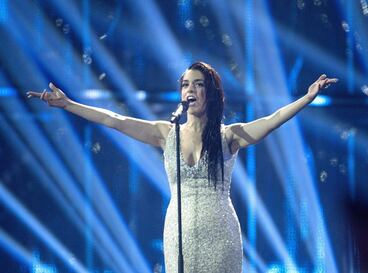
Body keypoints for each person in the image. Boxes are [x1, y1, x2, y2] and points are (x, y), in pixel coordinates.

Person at [27, 61, 337, 273]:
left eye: (198, 84)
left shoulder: (228, 135)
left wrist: (307, 98)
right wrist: (69, 105)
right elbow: (115, 120)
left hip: (220, 233)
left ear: (210, 93)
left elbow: (271, 121)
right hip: (179, 232)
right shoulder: (166, 133)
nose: (190, 89)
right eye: (185, 84)